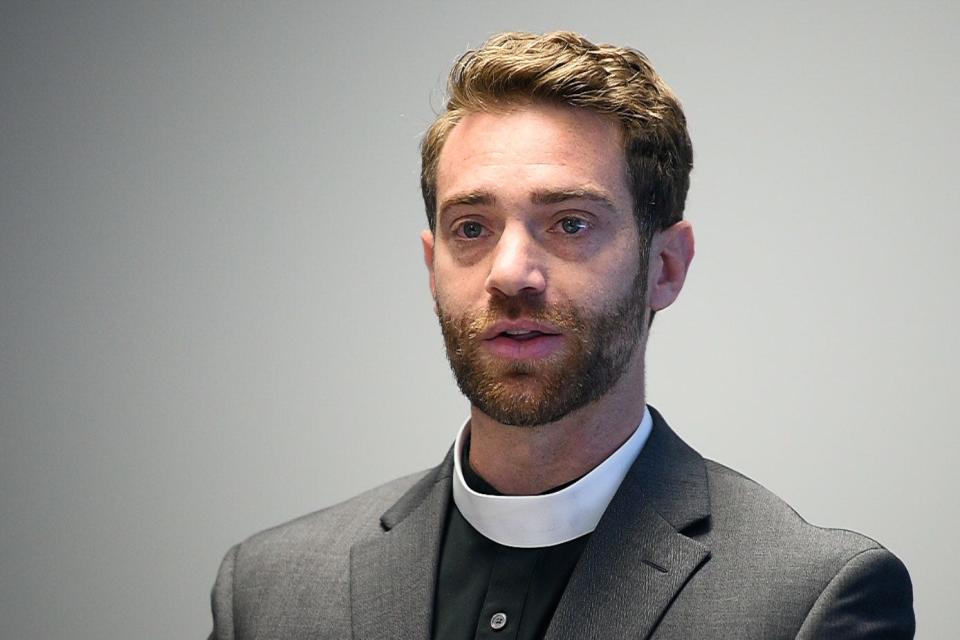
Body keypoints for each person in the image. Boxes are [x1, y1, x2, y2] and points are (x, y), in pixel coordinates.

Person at [208, 31, 914, 639]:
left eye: (570, 224)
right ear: (433, 268)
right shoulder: (270, 592)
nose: (511, 273)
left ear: (665, 266)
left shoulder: (805, 603)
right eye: (472, 229)